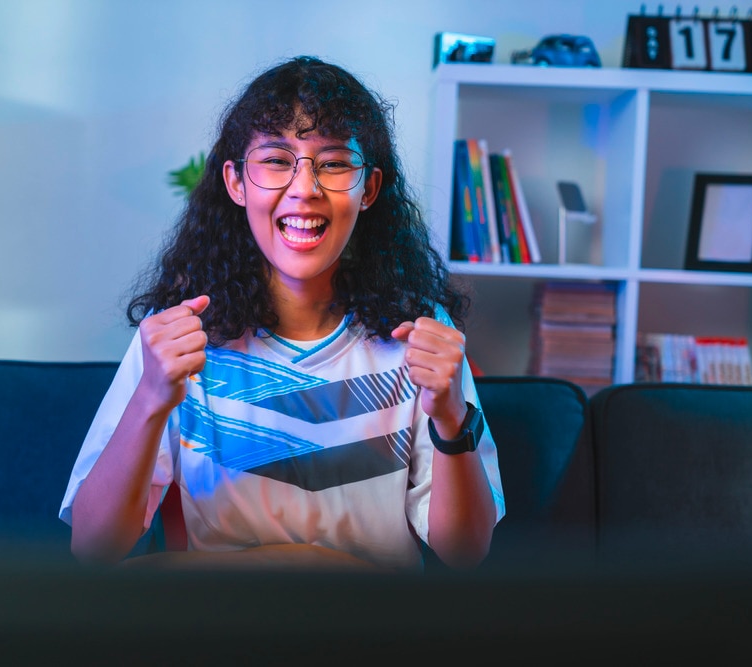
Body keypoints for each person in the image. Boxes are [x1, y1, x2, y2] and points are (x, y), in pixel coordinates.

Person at [59, 55, 504, 573]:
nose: (305, 188)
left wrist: (451, 419)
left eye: (334, 163)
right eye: (275, 160)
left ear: (370, 190)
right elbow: (93, 547)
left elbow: (466, 551)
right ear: (236, 182)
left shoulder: (420, 334)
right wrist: (150, 399)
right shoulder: (179, 338)